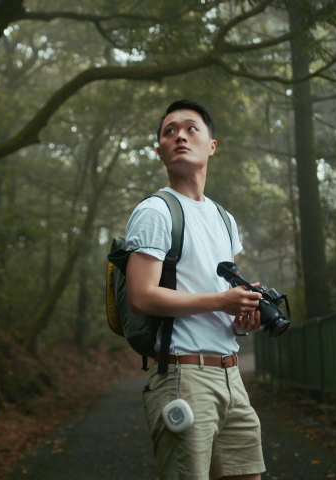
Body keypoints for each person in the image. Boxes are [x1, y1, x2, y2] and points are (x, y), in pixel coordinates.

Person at [124, 99, 267, 480]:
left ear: (212, 145)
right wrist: (222, 300)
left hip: (231, 375)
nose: (179, 136)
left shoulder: (224, 219)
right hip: (183, 377)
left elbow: (217, 302)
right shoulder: (156, 212)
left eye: (190, 128)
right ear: (160, 151)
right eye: (169, 132)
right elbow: (141, 296)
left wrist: (241, 318)